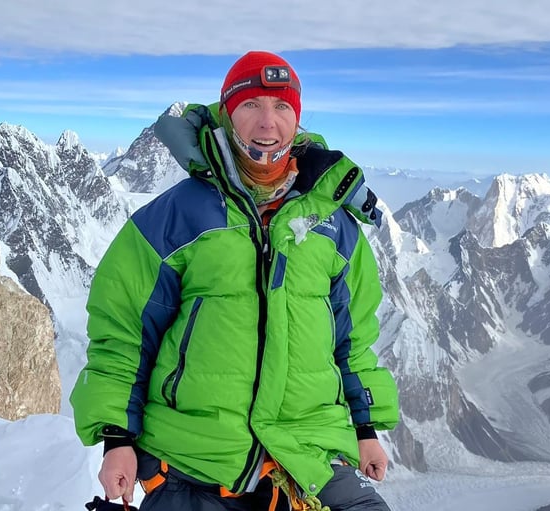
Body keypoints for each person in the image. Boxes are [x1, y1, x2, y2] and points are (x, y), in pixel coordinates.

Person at [70, 50, 399, 511]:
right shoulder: (176, 217)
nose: (268, 122)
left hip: (308, 455)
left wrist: (365, 430)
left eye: (282, 107)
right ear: (227, 114)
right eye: (251, 105)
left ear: (297, 120)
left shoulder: (336, 225)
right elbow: (124, 333)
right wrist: (116, 437)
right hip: (193, 461)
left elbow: (353, 340)